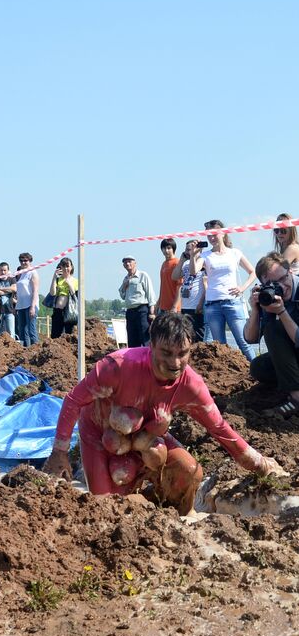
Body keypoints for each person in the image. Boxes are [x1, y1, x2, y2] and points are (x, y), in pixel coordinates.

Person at [44, 313, 285, 514]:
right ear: (151, 345)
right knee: (107, 509)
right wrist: (59, 451)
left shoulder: (191, 386)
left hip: (149, 436)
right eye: (167, 352)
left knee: (189, 471)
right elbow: (74, 400)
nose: (176, 362)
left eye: (183, 353)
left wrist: (259, 463)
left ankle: (160, 508)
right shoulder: (116, 367)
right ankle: (123, 492)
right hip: (100, 435)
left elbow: (219, 428)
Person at [190, 219, 255, 362]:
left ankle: (257, 371)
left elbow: (253, 271)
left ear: (223, 233)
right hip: (213, 304)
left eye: (214, 234)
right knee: (220, 346)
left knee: (244, 341)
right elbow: (194, 272)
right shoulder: (205, 255)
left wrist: (242, 288)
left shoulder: (234, 253)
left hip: (232, 302)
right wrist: (193, 255)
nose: (212, 238)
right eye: (208, 235)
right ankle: (228, 377)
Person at [243, 252, 299, 418]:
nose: (281, 286)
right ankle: (291, 384)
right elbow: (250, 338)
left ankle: (296, 398)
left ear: (290, 273)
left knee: (273, 328)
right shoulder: (267, 298)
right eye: (272, 284)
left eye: (283, 279)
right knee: (259, 368)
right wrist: (255, 310)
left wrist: (281, 312)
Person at [171, 240, 206, 341]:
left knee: (198, 336)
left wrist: (201, 302)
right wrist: (182, 260)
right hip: (185, 305)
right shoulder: (186, 263)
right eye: (186, 250)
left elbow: (205, 284)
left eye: (189, 250)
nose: (187, 252)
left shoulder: (203, 261)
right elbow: (174, 276)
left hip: (196, 305)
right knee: (187, 336)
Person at [119, 257, 155, 347]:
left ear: (135, 263)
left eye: (129, 262)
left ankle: (148, 359)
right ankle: (134, 360)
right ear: (123, 265)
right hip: (130, 311)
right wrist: (124, 286)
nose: (127, 264)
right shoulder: (125, 279)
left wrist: (152, 311)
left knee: (145, 337)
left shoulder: (143, 275)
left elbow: (150, 293)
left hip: (141, 310)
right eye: (125, 262)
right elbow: (122, 295)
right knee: (132, 339)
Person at [48, 257, 78, 338]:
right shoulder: (58, 280)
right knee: (55, 335)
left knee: (68, 335)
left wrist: (68, 283)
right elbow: (52, 293)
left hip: (69, 312)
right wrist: (54, 277)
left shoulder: (75, 281)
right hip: (58, 311)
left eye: (67, 266)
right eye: (63, 266)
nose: (66, 268)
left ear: (71, 267)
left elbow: (74, 295)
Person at [15, 252, 40, 346]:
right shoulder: (21, 274)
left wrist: (32, 307)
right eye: (21, 261)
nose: (23, 263)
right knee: (22, 331)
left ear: (30, 261)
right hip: (21, 305)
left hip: (30, 305)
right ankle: (25, 351)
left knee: (31, 330)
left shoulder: (33, 273)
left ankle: (36, 350)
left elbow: (35, 291)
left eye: (25, 260)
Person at [153, 239, 182, 314]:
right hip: (163, 307)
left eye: (169, 248)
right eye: (164, 248)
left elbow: (180, 286)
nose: (166, 250)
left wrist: (175, 306)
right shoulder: (163, 264)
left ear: (173, 249)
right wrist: (158, 303)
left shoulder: (177, 263)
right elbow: (163, 286)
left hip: (173, 308)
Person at [0, 261, 17, 338]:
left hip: (10, 311)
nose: (3, 272)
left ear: (8, 271)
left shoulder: (12, 279)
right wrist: (7, 290)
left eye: (5, 270)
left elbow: (14, 289)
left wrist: (1, 289)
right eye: (1, 270)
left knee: (11, 333)